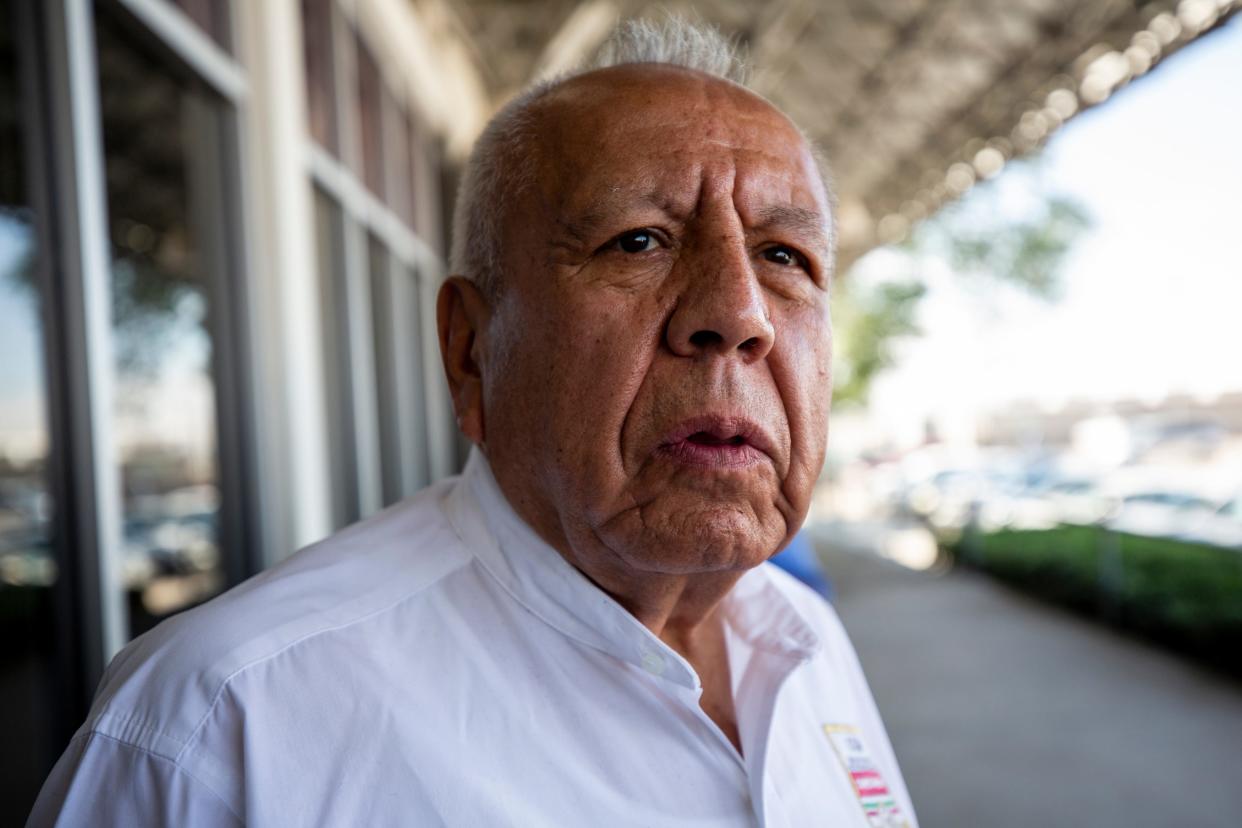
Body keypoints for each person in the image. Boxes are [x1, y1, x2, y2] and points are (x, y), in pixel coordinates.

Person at [30, 18, 916, 827]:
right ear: (469, 349)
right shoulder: (217, 728)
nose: (739, 313)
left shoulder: (806, 641)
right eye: (638, 240)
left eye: (784, 256)